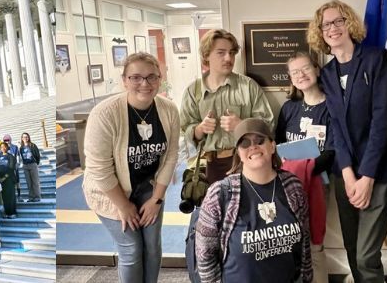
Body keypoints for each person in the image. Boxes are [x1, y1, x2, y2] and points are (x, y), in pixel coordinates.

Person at [308, 0, 387, 283]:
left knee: (366, 255)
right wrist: (347, 175)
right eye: (326, 25)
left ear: (349, 23)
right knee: (351, 247)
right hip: (345, 172)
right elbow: (336, 127)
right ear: (320, 33)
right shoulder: (328, 74)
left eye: (338, 21)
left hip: (377, 170)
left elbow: (382, 122)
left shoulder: (375, 59)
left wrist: (366, 177)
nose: (332, 28)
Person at [179, 28, 275, 281]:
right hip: (210, 166)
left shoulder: (247, 86)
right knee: (211, 228)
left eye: (231, 52)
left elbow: (268, 125)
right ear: (206, 58)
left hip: (244, 163)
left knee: (246, 226)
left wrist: (242, 125)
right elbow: (185, 130)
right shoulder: (193, 91)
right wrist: (199, 129)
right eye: (221, 52)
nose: (228, 58)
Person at [83, 52, 180, 283]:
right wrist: (123, 205)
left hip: (148, 187)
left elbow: (170, 156)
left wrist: (156, 199)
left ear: (160, 79)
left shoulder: (168, 110)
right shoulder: (105, 114)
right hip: (111, 192)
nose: (144, 84)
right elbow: (100, 168)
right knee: (132, 250)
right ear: (124, 80)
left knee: (153, 249)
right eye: (136, 77)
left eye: (151, 77)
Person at [196, 118, 312, 282]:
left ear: (272, 146)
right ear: (238, 153)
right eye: (244, 143)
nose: (253, 146)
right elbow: (205, 255)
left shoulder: (293, 187)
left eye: (260, 140)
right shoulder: (219, 194)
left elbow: (305, 246)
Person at [275, 51, 333, 283]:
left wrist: (303, 169)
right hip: (287, 184)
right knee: (290, 238)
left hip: (319, 182)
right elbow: (277, 144)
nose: (301, 75)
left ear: (317, 70)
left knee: (314, 241)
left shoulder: (331, 107)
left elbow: (332, 152)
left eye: (306, 68)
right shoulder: (289, 108)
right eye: (295, 72)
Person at [0, 143, 19, 219]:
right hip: (0, 179)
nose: (3, 148)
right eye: (1, 147)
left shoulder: (11, 156)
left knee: (10, 196)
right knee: (3, 197)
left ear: (7, 147)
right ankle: (6, 212)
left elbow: (11, 168)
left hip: (9, 179)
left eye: (4, 147)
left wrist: (4, 178)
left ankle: (12, 213)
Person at [19, 132, 42, 202]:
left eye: (26, 137)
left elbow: (37, 155)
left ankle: (37, 196)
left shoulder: (32, 145)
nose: (25, 138)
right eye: (24, 137)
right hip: (25, 166)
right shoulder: (21, 147)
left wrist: (36, 163)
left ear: (28, 138)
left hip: (32, 164)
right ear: (22, 138)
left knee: (35, 182)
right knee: (29, 182)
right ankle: (31, 197)